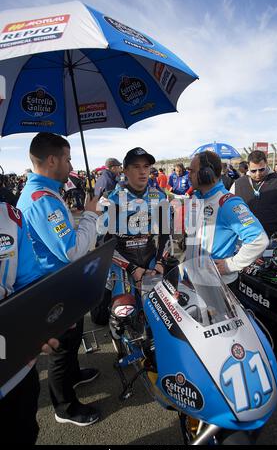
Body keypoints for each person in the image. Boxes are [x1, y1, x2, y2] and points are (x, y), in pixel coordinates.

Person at [17, 132, 101, 427]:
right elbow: (72, 251)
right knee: (62, 348)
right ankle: (64, 407)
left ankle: (74, 375)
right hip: (52, 287)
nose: (70, 164)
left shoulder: (46, 192)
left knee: (73, 336)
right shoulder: (42, 199)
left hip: (61, 283)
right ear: (51, 160)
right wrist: (90, 216)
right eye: (67, 158)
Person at [0, 201, 58, 444]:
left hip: (15, 367)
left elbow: (28, 280)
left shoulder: (9, 216)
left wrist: (41, 321)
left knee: (24, 432)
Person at [98, 147, 169, 336]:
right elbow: (106, 244)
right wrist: (132, 269)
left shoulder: (159, 196)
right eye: (136, 167)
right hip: (122, 262)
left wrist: (161, 262)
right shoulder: (113, 199)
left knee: (163, 311)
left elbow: (165, 235)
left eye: (146, 166)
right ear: (125, 170)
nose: (143, 171)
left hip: (151, 258)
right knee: (123, 312)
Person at [187, 151, 269, 286]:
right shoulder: (196, 199)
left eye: (192, 171)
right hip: (196, 279)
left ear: (207, 173)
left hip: (219, 285)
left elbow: (259, 240)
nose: (188, 175)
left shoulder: (228, 203)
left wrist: (230, 265)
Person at [231, 150, 277, 239]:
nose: (258, 174)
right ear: (248, 167)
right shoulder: (238, 184)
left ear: (266, 164)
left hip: (275, 238)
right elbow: (230, 208)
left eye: (261, 169)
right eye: (254, 171)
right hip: (245, 239)